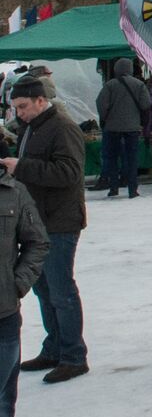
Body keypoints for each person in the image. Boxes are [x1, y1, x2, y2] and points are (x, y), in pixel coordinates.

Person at [3, 77, 89, 384]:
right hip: (37, 223)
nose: (19, 114)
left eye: (23, 107)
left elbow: (69, 173)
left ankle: (73, 356)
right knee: (44, 290)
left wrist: (21, 167)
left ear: (41, 100)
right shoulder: (33, 127)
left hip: (59, 222)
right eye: (15, 109)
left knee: (61, 290)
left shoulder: (63, 127)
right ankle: (54, 348)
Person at [0, 163, 49, 417]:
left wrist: (16, 284)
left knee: (2, 397)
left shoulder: (14, 192)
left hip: (3, 314)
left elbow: (37, 242)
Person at [95, 58, 151, 198]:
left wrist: (105, 118)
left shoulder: (110, 85)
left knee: (112, 157)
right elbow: (146, 104)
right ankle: (132, 189)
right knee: (132, 158)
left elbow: (101, 103)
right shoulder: (139, 85)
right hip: (132, 127)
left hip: (112, 127)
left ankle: (114, 187)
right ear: (131, 69)